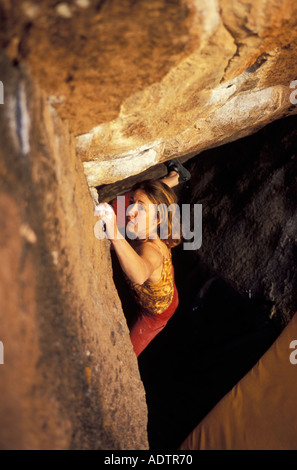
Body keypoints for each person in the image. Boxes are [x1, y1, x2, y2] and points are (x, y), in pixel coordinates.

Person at [95, 159, 191, 357]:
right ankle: (174, 177)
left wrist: (113, 230)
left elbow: (139, 274)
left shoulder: (151, 252)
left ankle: (173, 179)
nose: (132, 211)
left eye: (140, 208)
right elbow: (145, 200)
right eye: (133, 203)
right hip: (158, 278)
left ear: (158, 220)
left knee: (124, 355)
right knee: (139, 198)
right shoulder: (145, 222)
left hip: (155, 313)